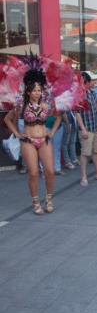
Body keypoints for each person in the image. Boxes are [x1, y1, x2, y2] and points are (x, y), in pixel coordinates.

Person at [4, 69, 62, 214]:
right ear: (28, 92)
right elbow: (7, 119)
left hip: (44, 139)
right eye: (35, 91)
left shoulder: (46, 105)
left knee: (50, 171)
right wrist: (17, 133)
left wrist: (52, 132)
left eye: (39, 90)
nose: (38, 93)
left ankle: (49, 199)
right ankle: (36, 202)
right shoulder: (21, 105)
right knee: (34, 173)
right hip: (28, 141)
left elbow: (59, 116)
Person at [76, 72, 97, 187]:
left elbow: (96, 110)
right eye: (92, 81)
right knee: (85, 153)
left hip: (96, 126)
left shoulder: (92, 93)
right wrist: (83, 129)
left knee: (96, 151)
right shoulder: (79, 95)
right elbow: (77, 113)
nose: (94, 83)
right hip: (87, 128)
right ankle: (83, 177)